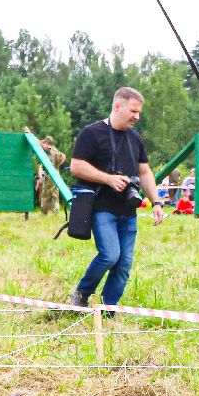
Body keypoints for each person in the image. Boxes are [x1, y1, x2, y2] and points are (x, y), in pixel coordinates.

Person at [68, 87, 164, 308]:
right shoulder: (91, 133)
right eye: (133, 111)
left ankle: (108, 308)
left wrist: (157, 202)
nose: (137, 117)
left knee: (124, 264)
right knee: (110, 255)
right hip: (101, 208)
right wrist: (108, 179)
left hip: (128, 211)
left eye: (139, 112)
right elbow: (76, 166)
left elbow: (144, 172)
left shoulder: (135, 138)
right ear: (118, 106)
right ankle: (82, 293)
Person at [34, 134, 68, 215]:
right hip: (55, 174)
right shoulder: (56, 150)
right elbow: (63, 156)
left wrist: (31, 134)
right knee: (55, 195)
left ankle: (44, 213)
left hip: (49, 175)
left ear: (47, 143)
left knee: (45, 195)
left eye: (45, 142)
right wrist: (57, 165)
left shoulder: (50, 149)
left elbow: (42, 145)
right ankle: (55, 212)